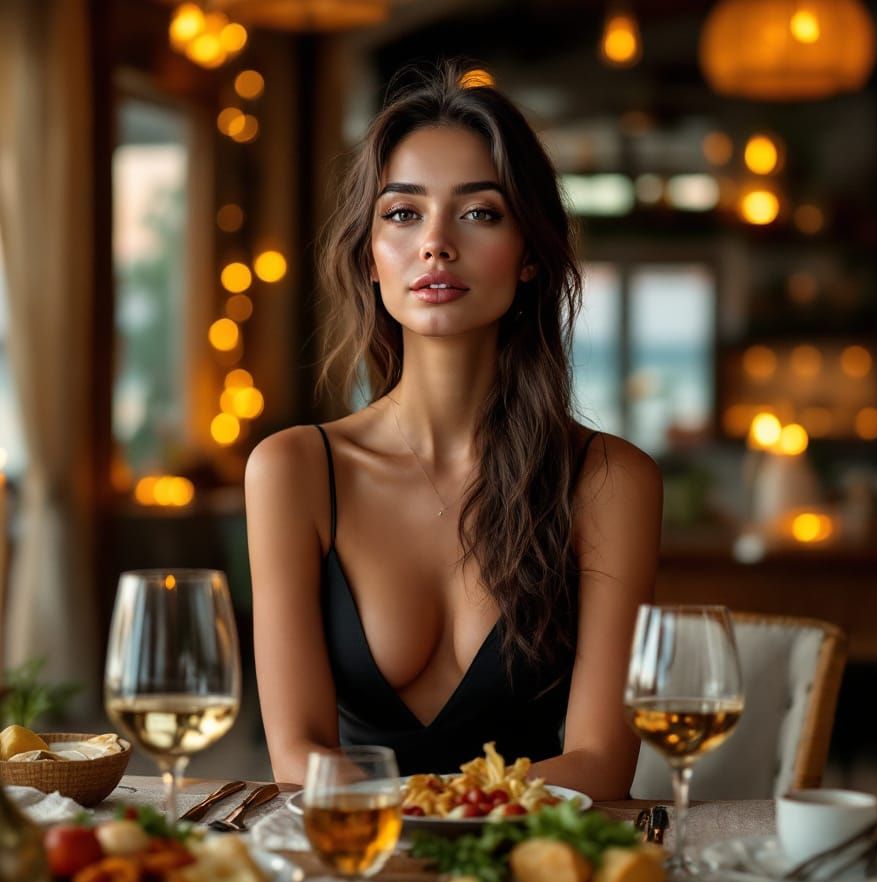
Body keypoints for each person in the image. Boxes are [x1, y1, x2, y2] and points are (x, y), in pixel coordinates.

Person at [245, 63, 661, 799]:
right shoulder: (294, 469)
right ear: (369, 258)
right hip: (360, 869)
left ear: (530, 253)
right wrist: (419, 826)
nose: (435, 244)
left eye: (479, 213)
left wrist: (440, 818)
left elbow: (601, 764)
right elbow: (299, 754)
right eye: (403, 214)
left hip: (532, 878)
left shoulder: (608, 480)